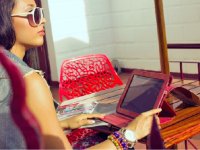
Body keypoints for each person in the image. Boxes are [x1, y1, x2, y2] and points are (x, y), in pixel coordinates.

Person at [0, 0, 162, 149]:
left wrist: (61, 124)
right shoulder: (29, 81)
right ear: (4, 19)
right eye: (33, 14)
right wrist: (129, 135)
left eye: (40, 13)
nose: (43, 20)